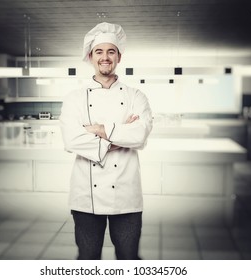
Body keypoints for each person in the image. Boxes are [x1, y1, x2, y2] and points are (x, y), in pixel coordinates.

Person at [59, 22, 153, 260]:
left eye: (111, 51)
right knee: (88, 258)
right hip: (86, 197)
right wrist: (119, 135)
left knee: (128, 258)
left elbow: (140, 134)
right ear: (90, 56)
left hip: (127, 196)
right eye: (99, 51)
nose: (105, 57)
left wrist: (100, 129)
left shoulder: (136, 96)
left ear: (119, 57)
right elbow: (71, 140)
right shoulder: (74, 98)